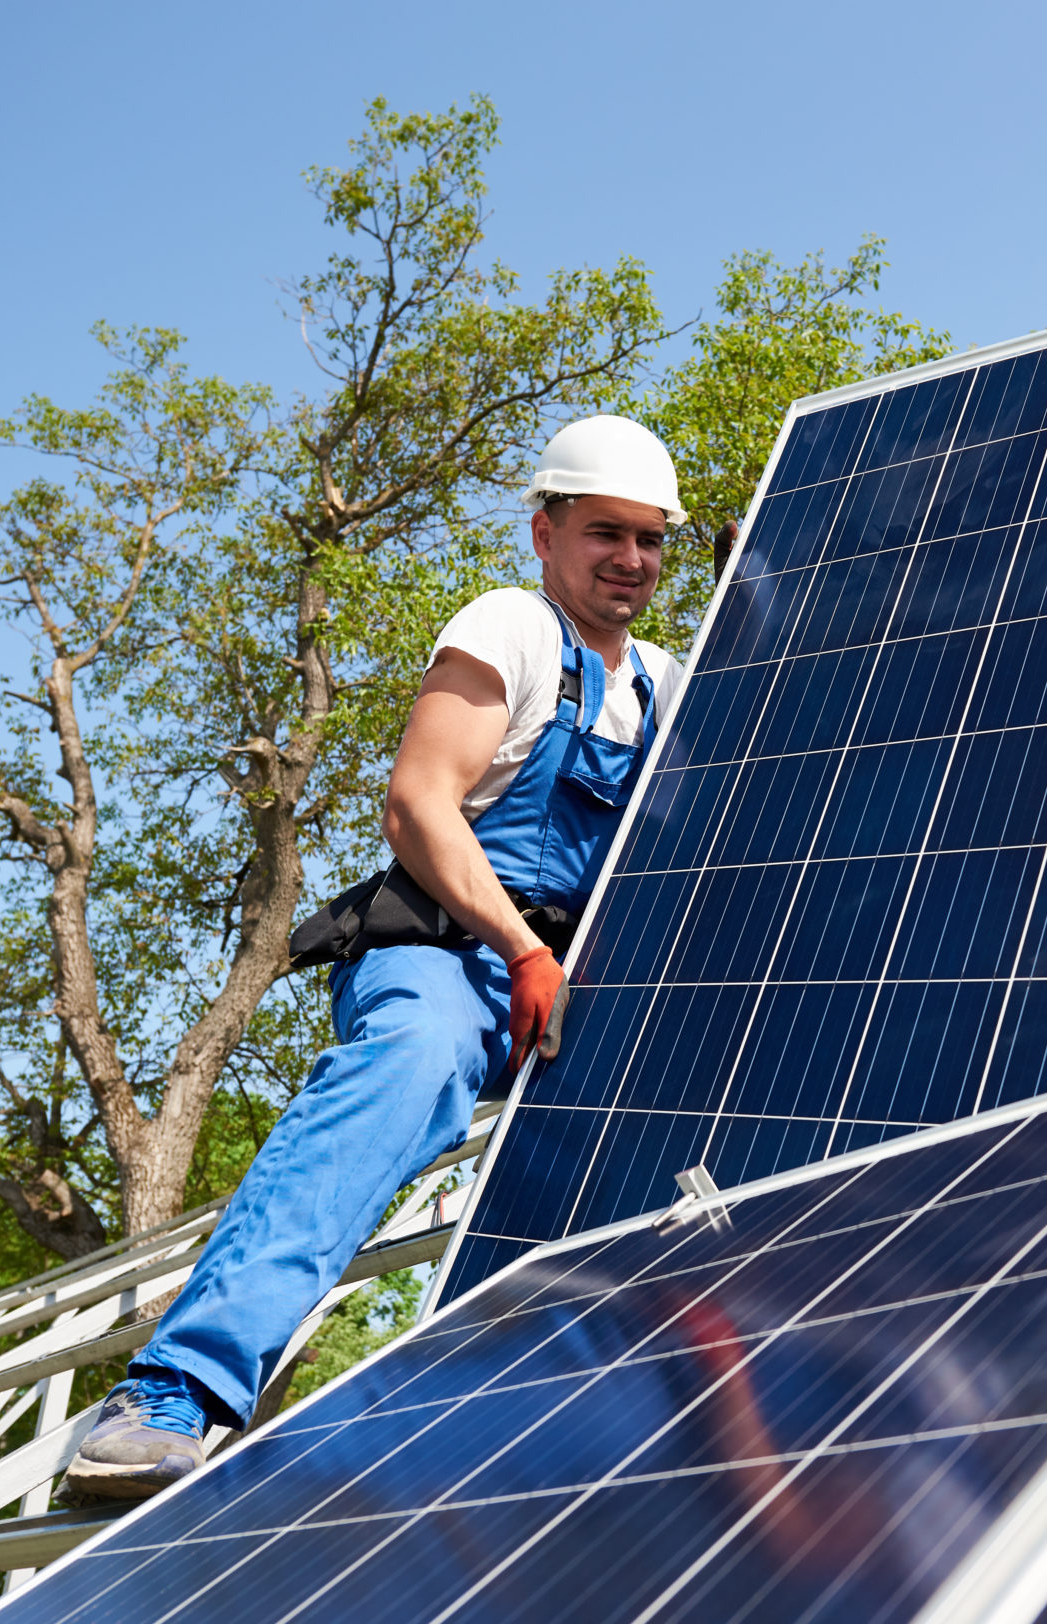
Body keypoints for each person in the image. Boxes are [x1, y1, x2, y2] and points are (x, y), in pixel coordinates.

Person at [63, 415, 692, 1502]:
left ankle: (584, 1420)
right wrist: (522, 944)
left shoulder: (664, 686)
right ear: (544, 533)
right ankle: (173, 1391)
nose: (630, 560)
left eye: (650, 539)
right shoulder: (513, 629)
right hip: (451, 954)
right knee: (412, 1059)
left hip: (574, 979)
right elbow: (416, 805)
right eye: (604, 532)